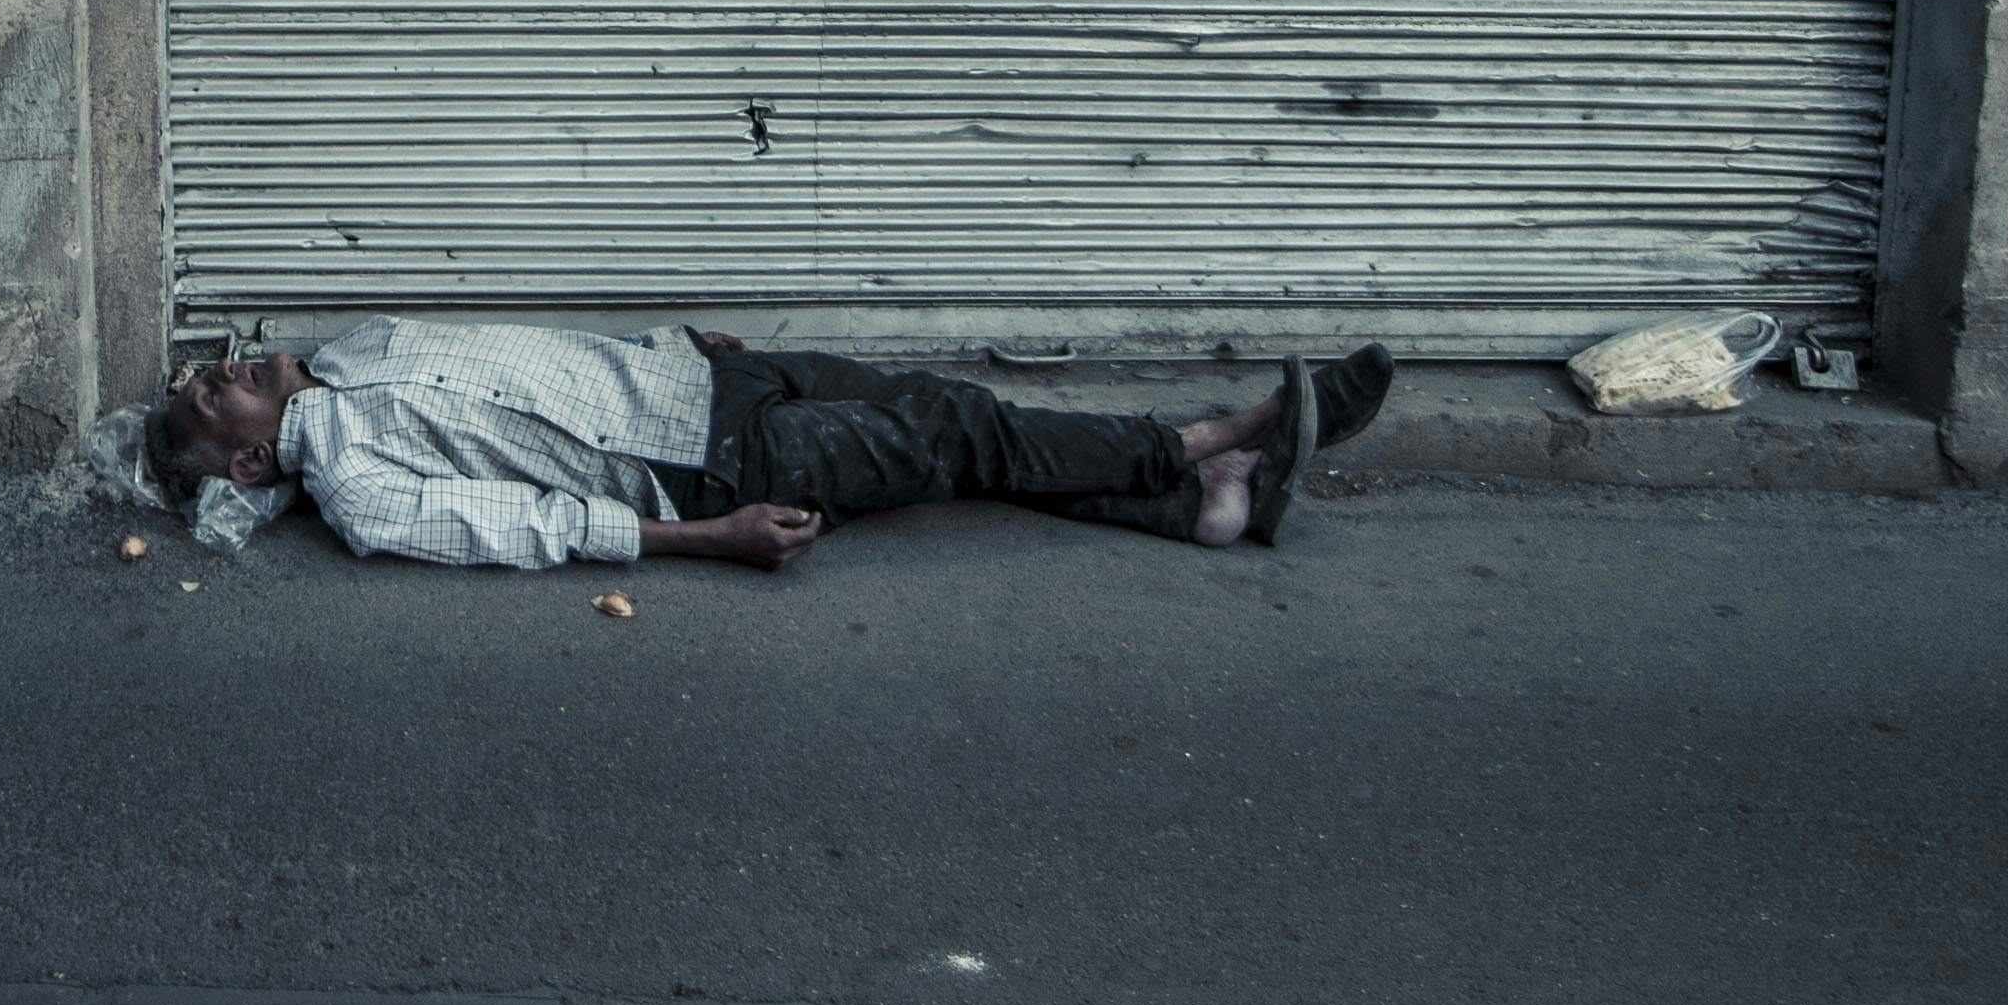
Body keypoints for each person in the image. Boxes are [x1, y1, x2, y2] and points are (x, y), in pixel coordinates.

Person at [145, 318, 1395, 573]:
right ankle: (1225, 434)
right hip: (714, 467)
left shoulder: (350, 351)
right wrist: (709, 539)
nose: (221, 373)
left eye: (209, 368)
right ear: (252, 463)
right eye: (212, 399)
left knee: (950, 420)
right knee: (959, 430)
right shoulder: (353, 475)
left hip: (702, 378)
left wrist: (666, 341)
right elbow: (518, 523)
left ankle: (1202, 504)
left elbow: (521, 357)